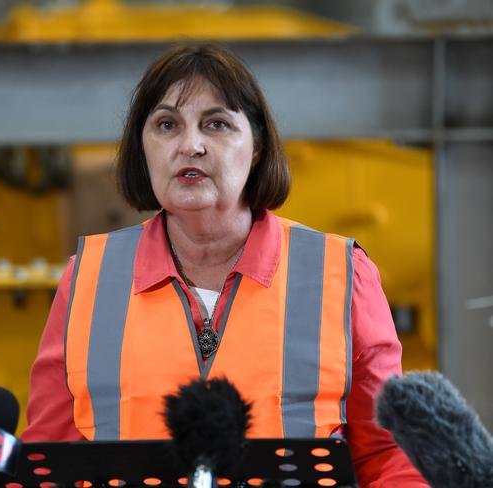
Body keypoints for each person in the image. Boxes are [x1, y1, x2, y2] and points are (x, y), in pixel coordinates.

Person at [22, 43, 429, 487]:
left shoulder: (341, 274)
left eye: (216, 124)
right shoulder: (88, 280)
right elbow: (49, 456)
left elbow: (389, 455)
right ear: (143, 148)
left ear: (256, 147)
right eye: (166, 125)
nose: (190, 145)